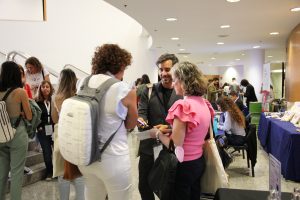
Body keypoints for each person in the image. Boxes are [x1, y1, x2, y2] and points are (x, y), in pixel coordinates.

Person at [76, 44, 138, 200]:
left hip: (86, 157)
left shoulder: (82, 82)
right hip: (114, 159)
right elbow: (131, 124)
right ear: (120, 65)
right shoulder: (124, 89)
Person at [149, 61, 214, 200]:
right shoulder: (204, 103)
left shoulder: (183, 106)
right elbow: (197, 131)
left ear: (183, 81)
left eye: (174, 80)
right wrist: (173, 129)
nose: (172, 85)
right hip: (198, 161)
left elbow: (175, 145)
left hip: (183, 164)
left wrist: (158, 134)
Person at [137, 53, 182, 200]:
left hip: (171, 149)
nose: (163, 73)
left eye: (167, 69)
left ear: (176, 70)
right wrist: (148, 127)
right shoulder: (148, 90)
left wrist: (167, 128)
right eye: (161, 69)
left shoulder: (182, 93)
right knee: (144, 186)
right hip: (148, 149)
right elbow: (140, 118)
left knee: (168, 188)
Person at [0, 61, 32, 200]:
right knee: (17, 173)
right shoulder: (20, 92)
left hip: (1, 133)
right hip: (17, 133)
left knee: (1, 173)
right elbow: (29, 116)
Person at [51, 68, 85, 200]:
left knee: (62, 173)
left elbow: (55, 120)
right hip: (76, 137)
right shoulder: (78, 97)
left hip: (62, 138)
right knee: (79, 174)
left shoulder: (55, 98)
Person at [35, 80, 55, 181]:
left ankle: (57, 171)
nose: (45, 89)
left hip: (54, 129)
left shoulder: (54, 100)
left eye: (47, 86)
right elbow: (35, 116)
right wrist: (39, 127)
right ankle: (49, 172)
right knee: (47, 152)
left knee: (56, 151)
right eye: (43, 87)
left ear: (50, 88)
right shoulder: (37, 101)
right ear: (40, 89)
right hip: (42, 131)